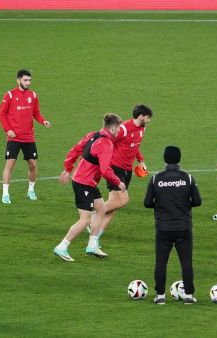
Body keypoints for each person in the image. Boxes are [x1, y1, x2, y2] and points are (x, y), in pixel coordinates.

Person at [53, 113, 126, 262]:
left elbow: (75, 149)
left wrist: (68, 168)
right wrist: (118, 183)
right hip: (84, 183)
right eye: (118, 129)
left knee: (101, 209)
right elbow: (106, 170)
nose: (119, 132)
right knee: (85, 220)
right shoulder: (106, 144)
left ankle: (92, 245)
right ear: (112, 129)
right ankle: (62, 247)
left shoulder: (93, 134)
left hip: (87, 181)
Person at [144, 146, 202, 305]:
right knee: (186, 261)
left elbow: (147, 203)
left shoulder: (156, 178)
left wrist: (161, 205)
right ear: (179, 159)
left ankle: (160, 295)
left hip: (163, 228)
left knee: (161, 261)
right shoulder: (187, 178)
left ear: (165, 159)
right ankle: (189, 296)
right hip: (184, 227)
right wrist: (184, 205)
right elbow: (197, 201)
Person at [96, 104, 153, 253]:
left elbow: (134, 146)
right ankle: (94, 214)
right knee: (122, 201)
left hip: (127, 170)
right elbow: (108, 141)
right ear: (141, 116)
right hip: (116, 167)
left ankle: (95, 237)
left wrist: (140, 159)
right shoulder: (124, 129)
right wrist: (105, 161)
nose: (149, 121)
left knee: (115, 206)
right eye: (148, 118)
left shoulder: (142, 128)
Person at [0, 69, 51, 204]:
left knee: (33, 164)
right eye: (25, 80)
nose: (28, 82)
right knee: (10, 163)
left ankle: (31, 190)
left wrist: (43, 120)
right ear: (18, 80)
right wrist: (8, 130)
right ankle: (5, 194)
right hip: (14, 137)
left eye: (29, 80)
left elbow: (36, 113)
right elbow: (1, 114)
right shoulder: (9, 95)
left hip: (28, 137)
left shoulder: (33, 95)